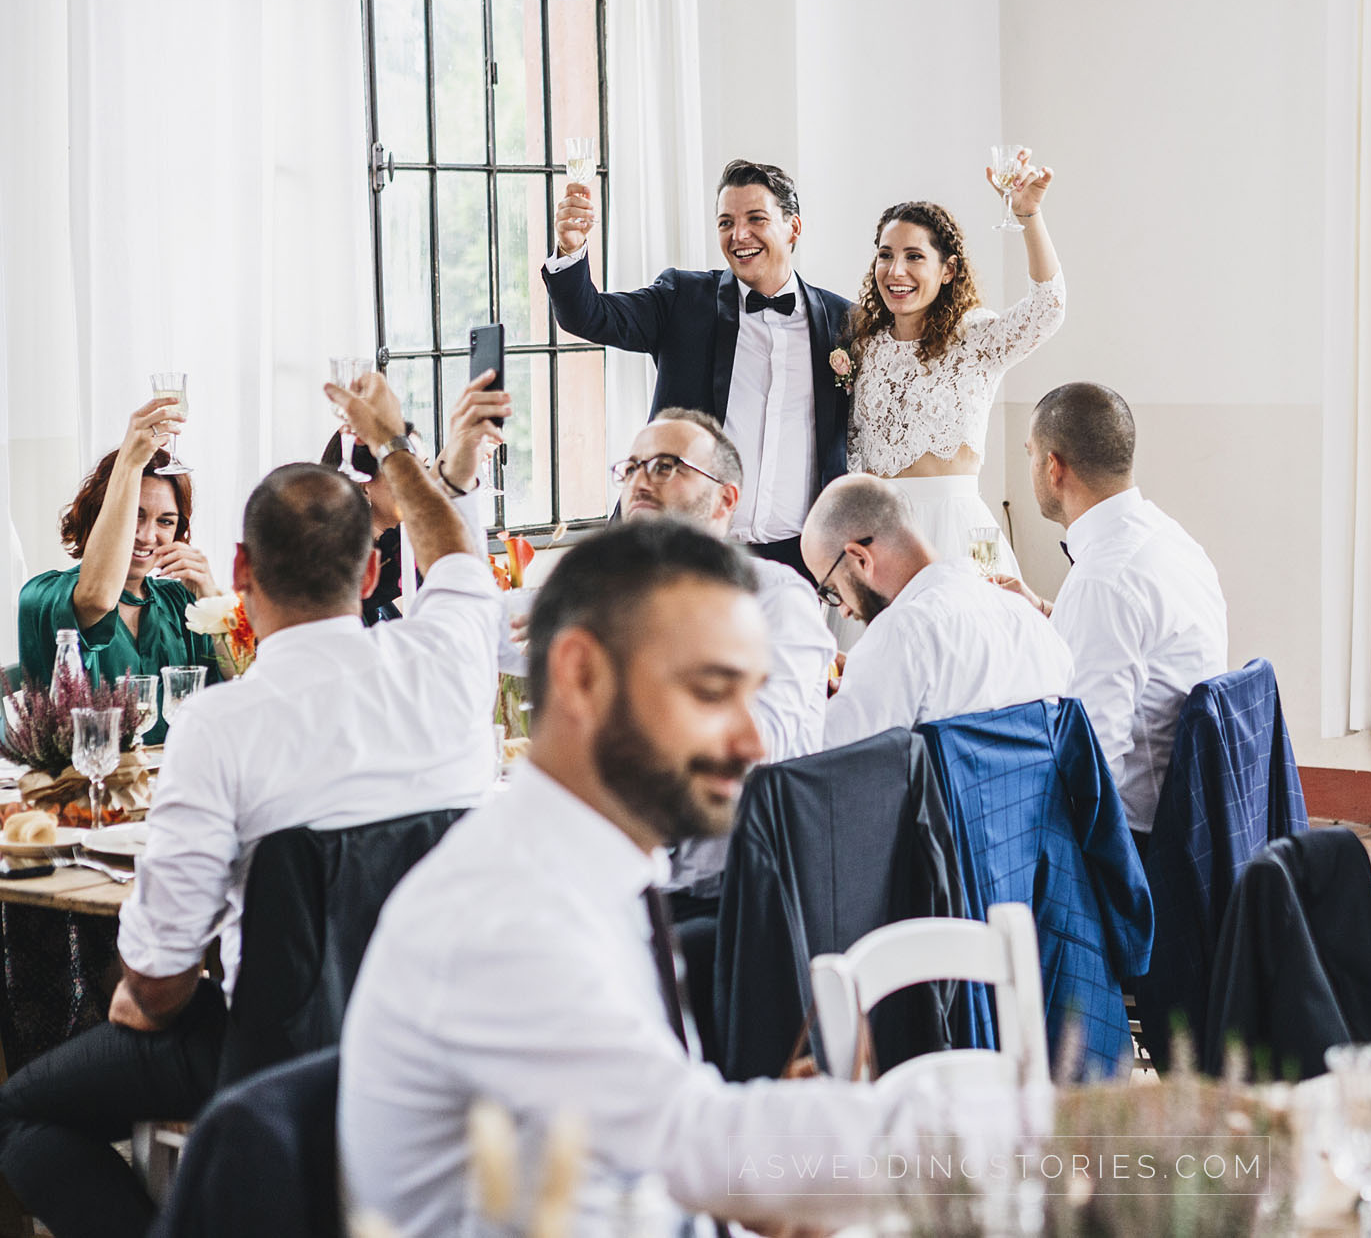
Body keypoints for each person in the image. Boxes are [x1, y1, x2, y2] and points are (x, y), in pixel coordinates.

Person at [339, 520, 1023, 1236]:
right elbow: (698, 1142)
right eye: (711, 691)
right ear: (581, 675)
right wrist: (1062, 1138)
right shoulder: (505, 915)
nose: (754, 739)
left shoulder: (595, 872)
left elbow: (666, 1152)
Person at [0, 373, 500, 1238]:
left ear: (238, 570)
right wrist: (392, 445)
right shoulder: (451, 664)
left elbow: (157, 983)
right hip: (442, 1036)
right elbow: (454, 552)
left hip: (280, 1059)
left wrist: (144, 1002)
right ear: (374, 566)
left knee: (20, 1114)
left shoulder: (220, 725)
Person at [543, 159, 852, 579]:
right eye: (726, 222)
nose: (738, 235)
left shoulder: (843, 323)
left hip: (804, 560)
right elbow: (589, 315)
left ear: (793, 227)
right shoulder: (682, 298)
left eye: (755, 219)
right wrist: (571, 248)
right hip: (685, 552)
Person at [608, 407, 837, 931]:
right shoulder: (613, 599)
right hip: (622, 878)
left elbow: (763, 745)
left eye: (666, 466)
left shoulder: (774, 598)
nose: (641, 480)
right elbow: (480, 628)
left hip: (736, 896)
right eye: (632, 467)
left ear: (725, 500)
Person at [997, 383, 1228, 845]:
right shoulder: (1168, 537)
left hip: (1140, 842)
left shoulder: (1104, 581)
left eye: (1029, 454)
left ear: (1052, 467)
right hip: (1195, 814)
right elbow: (1141, 643)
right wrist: (1048, 611)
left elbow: (1090, 767)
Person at [843, 157, 1063, 583]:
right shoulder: (864, 347)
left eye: (914, 256)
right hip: (878, 534)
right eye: (885, 256)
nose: (896, 271)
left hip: (965, 532)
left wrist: (1028, 216)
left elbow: (1047, 308)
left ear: (948, 270)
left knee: (978, 634)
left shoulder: (974, 339)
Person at [803, 475, 1072, 750]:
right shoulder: (1027, 618)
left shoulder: (902, 634)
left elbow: (826, 758)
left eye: (833, 589)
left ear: (860, 558)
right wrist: (866, 673)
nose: (845, 611)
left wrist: (808, 688)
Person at [17, 395, 220, 741]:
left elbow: (237, 687)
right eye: (134, 516)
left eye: (166, 521)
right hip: (83, 790)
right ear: (102, 515)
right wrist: (130, 461)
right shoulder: (43, 595)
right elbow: (98, 598)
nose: (146, 536)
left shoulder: (178, 604)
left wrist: (213, 602)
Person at [318, 368, 511, 625]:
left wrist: (460, 453)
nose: (418, 478)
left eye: (425, 466)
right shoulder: (350, 576)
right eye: (405, 465)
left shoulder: (416, 557)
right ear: (363, 483)